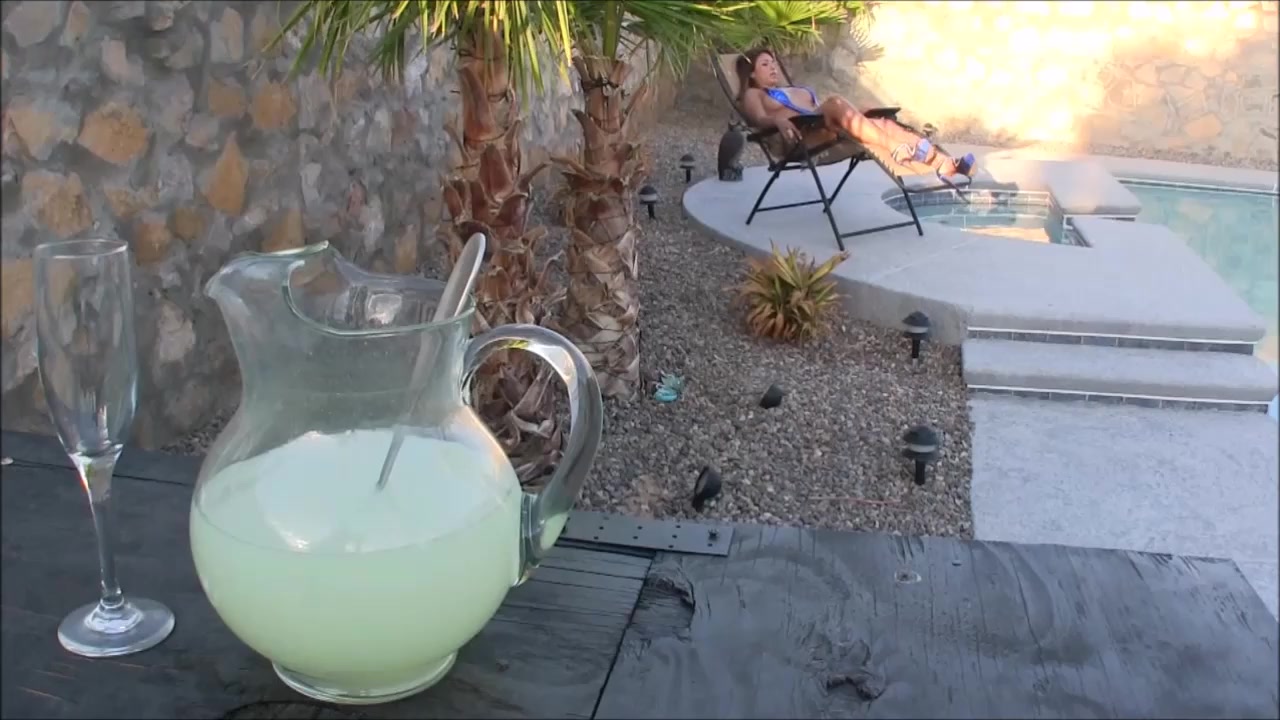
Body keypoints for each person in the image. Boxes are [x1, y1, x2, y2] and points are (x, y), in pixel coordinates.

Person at [735, 48, 975, 177]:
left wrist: (858, 114)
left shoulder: (787, 89)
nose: (773, 67)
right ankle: (896, 147)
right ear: (752, 73)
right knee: (836, 103)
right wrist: (777, 121)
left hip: (822, 127)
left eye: (774, 63)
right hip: (802, 140)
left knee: (879, 120)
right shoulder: (754, 94)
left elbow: (817, 110)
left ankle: (942, 162)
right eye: (765, 64)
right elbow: (758, 119)